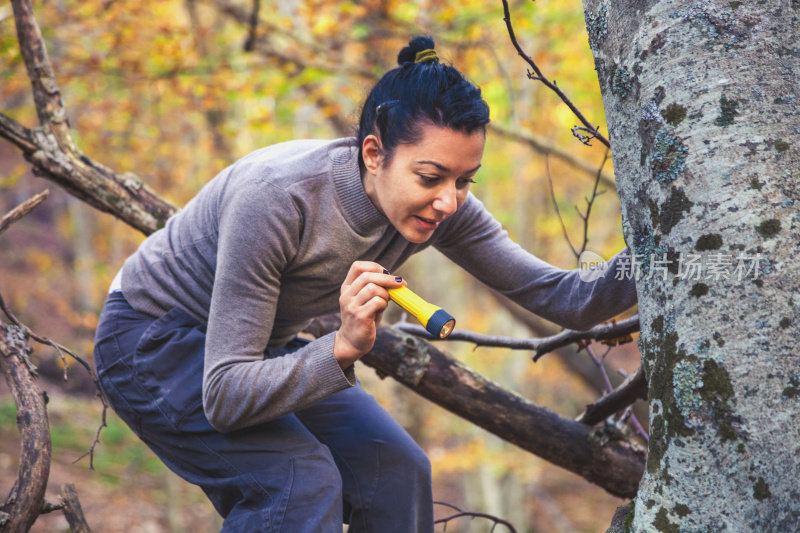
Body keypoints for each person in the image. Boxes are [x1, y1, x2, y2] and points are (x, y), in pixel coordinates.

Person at [93, 36, 637, 532]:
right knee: (299, 483)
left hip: (259, 351)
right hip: (151, 342)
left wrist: (667, 254)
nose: (448, 201)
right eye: (430, 178)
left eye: (464, 181)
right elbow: (226, 397)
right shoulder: (278, 199)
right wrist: (342, 348)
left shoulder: (442, 208)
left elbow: (566, 297)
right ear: (374, 153)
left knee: (394, 468)